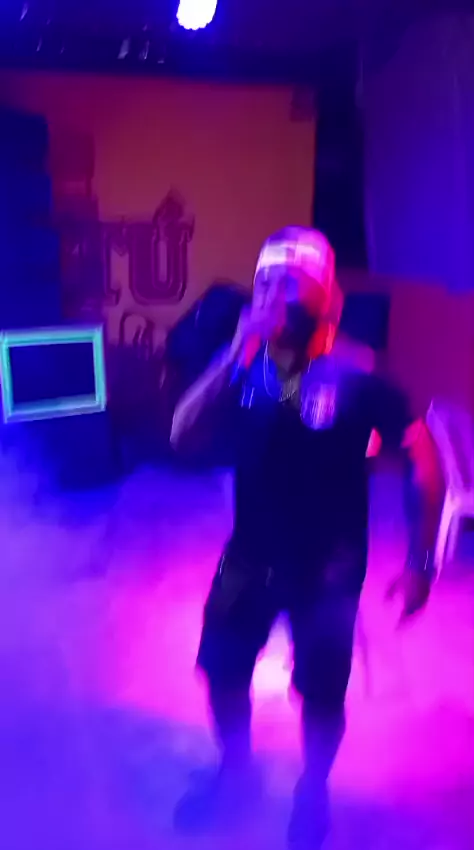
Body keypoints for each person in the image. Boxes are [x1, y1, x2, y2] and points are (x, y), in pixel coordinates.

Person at [170, 227, 444, 849]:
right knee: (221, 671)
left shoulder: (360, 373)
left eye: (288, 284)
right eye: (263, 281)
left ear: (326, 297)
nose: (270, 295)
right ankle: (235, 774)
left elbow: (424, 462)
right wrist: (234, 352)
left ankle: (312, 790)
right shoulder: (244, 362)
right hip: (248, 556)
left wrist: (422, 561)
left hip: (328, 570)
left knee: (321, 695)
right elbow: (182, 435)